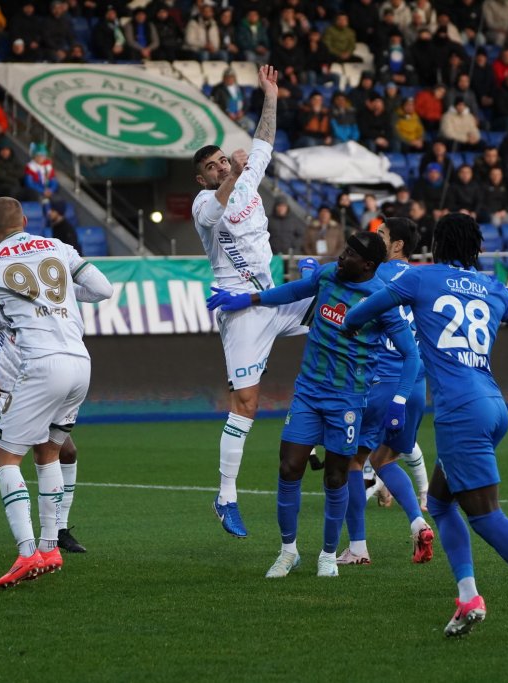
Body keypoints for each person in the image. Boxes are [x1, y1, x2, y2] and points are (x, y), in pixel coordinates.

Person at [342, 212, 508, 639]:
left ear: (437, 245)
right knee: (440, 503)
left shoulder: (420, 279)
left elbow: (360, 313)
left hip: (461, 412)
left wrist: (349, 323)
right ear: (475, 249)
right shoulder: (494, 288)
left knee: (487, 518)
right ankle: (467, 597)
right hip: (493, 405)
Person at [205, 232, 418, 578]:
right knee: (289, 467)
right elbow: (292, 292)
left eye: (350, 253)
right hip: (308, 392)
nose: (342, 256)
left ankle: (328, 554)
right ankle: (288, 551)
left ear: (367, 264)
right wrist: (248, 299)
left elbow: (411, 354)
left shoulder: (382, 299)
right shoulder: (329, 275)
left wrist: (398, 399)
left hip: (348, 399)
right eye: (344, 249)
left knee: (335, 476)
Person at [0, 197, 114, 588]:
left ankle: (25, 553)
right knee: (49, 452)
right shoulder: (57, 246)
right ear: (25, 220)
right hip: (81, 364)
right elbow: (103, 289)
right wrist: (63, 298)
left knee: (5, 460)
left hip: (41, 365)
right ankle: (50, 547)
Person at [192, 65, 310, 539]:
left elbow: (264, 138)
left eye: (223, 160)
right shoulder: (204, 206)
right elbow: (220, 203)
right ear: (202, 178)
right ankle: (225, 496)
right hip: (240, 310)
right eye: (212, 166)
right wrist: (234, 175)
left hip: (277, 298)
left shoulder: (247, 176)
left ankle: (327, 425)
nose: (221, 166)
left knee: (341, 317)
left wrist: (271, 95)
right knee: (246, 401)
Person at [0, 310, 86, 557]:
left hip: (30, 399)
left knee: (68, 452)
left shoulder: (59, 316)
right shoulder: (8, 308)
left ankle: (60, 529)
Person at [338, 217, 432, 567]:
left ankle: (358, 548)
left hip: (381, 382)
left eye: (381, 236)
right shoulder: (422, 279)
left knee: (353, 460)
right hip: (416, 386)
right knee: (385, 459)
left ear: (397, 246)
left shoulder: (374, 277)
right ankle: (418, 522)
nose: (375, 241)